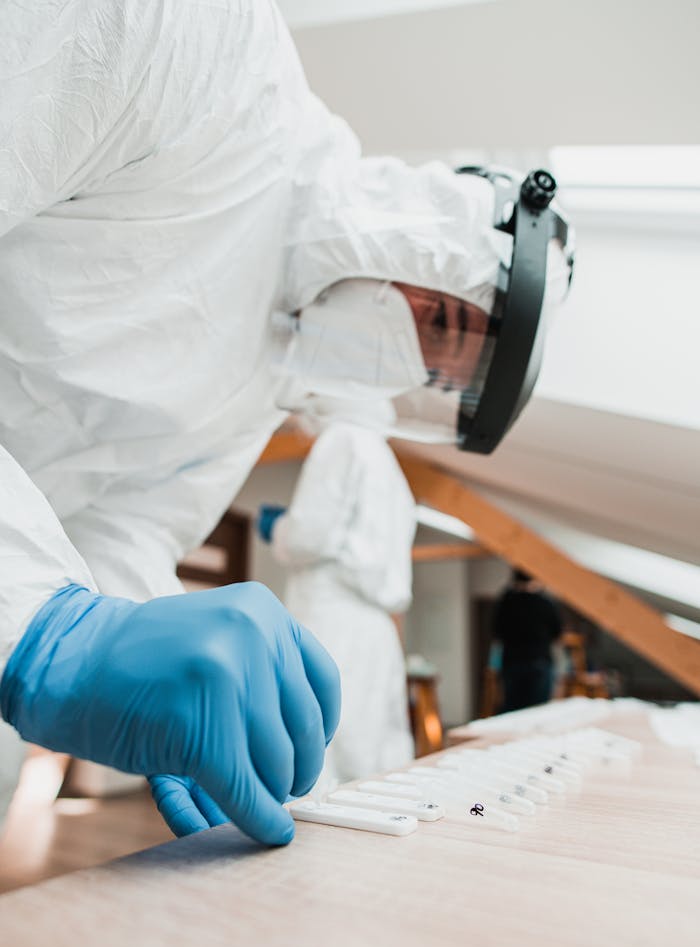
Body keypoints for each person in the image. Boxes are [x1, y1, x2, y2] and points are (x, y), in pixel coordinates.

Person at [0, 2, 572, 843]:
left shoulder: (260, 390)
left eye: (430, 377)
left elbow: (126, 530)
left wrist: (141, 639)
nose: (403, 365)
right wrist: (43, 629)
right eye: (438, 324)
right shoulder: (206, 51)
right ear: (429, 232)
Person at [258, 402, 416, 790]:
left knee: (324, 747)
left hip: (333, 618)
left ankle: (318, 848)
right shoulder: (389, 463)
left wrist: (279, 526)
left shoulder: (341, 440)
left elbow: (308, 536)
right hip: (375, 627)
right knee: (374, 749)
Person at [492, 570, 563, 713]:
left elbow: (496, 631)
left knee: (513, 709)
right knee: (538, 710)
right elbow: (557, 632)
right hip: (538, 661)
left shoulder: (506, 601)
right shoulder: (544, 602)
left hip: (513, 661)